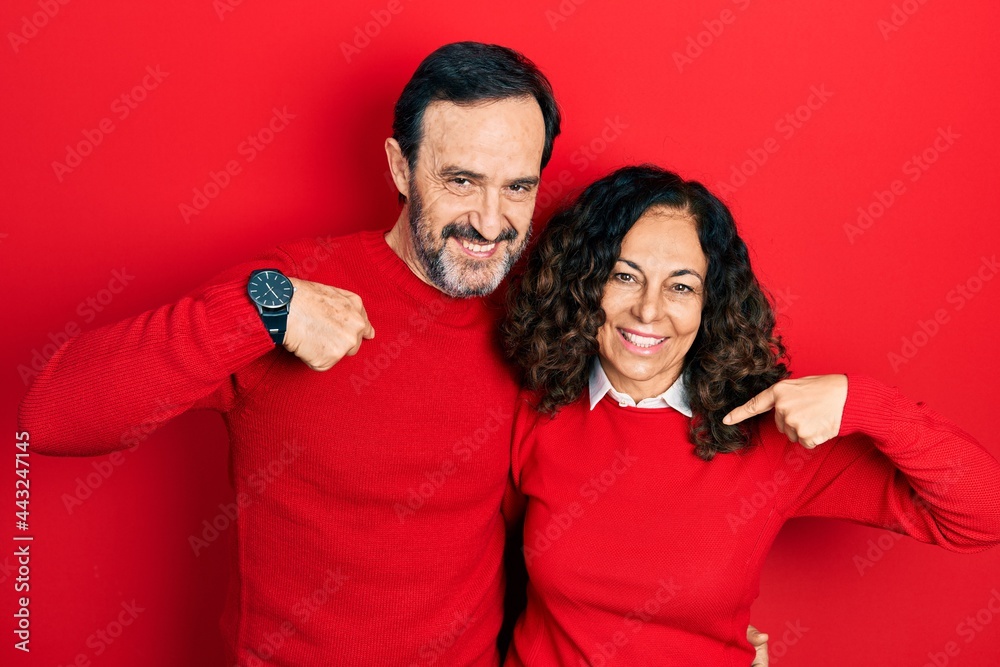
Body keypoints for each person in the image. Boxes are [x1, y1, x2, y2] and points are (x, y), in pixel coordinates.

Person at [19, 41, 560, 666]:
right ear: (400, 168)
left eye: (517, 187)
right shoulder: (292, 288)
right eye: (461, 181)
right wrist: (262, 310)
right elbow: (53, 415)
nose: (491, 223)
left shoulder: (533, 322)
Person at [502, 164, 1000, 665]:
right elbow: (471, 572)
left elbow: (983, 515)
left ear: (709, 304)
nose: (649, 311)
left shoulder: (763, 434)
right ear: (583, 283)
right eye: (625, 276)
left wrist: (864, 403)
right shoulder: (533, 410)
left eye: (681, 287)